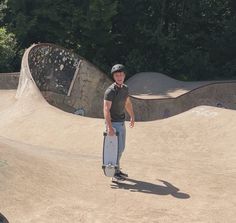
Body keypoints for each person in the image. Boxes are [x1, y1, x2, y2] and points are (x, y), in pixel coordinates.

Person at [103, 64, 135, 180]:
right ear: (114, 77)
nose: (119, 77)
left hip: (121, 122)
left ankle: (116, 170)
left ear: (124, 75)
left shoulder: (125, 88)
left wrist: (132, 116)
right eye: (117, 75)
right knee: (116, 149)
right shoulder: (110, 91)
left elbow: (127, 103)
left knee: (121, 148)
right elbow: (106, 109)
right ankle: (113, 173)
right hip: (113, 123)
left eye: (121, 75)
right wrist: (110, 127)